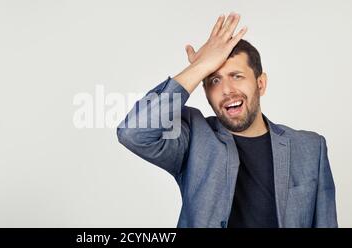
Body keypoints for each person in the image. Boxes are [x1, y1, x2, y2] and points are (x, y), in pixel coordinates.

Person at [116, 12, 337, 228]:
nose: (226, 90)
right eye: (214, 80)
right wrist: (199, 68)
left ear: (260, 84)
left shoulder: (310, 147)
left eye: (237, 76)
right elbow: (133, 133)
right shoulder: (192, 136)